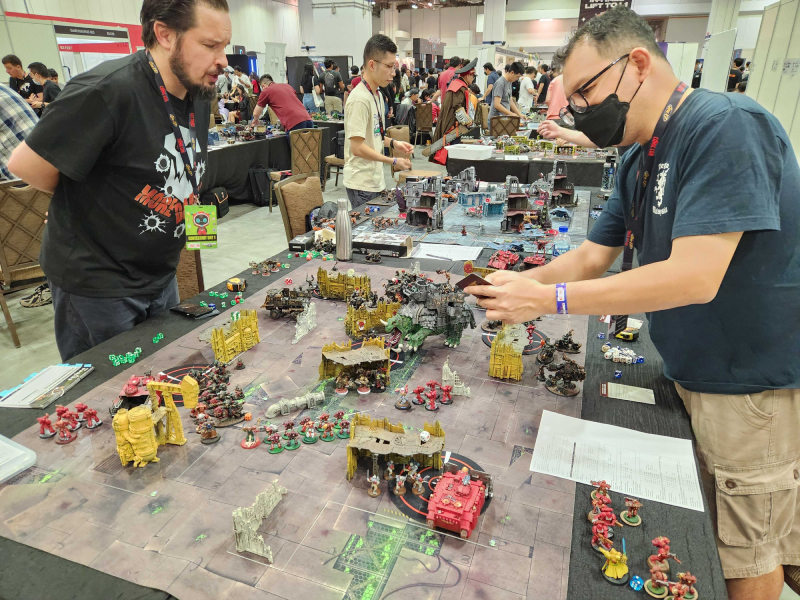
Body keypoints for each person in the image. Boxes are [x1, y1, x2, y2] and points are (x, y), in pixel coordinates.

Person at [465, 8, 800, 600]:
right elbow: (591, 258)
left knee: (747, 551)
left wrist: (548, 299)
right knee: (729, 533)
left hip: (745, 384)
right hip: (691, 368)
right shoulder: (638, 158)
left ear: (638, 64)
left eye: (586, 92)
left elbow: (695, 277)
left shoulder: (724, 126)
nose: (579, 111)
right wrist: (517, 285)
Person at [7, 0, 227, 361]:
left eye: (224, 46)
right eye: (210, 45)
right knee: (113, 391)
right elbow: (26, 164)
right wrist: (77, 197)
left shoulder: (197, 91)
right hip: (100, 285)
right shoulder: (107, 89)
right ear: (165, 34)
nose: (223, 59)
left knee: (162, 375)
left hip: (159, 273)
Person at [344, 34, 413, 208]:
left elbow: (375, 135)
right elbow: (357, 147)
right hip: (361, 183)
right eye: (389, 66)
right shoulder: (359, 99)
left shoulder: (377, 95)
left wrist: (394, 143)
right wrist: (393, 161)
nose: (393, 73)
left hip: (374, 180)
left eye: (394, 67)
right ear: (372, 65)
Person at [430, 58, 478, 151]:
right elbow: (457, 107)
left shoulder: (458, 84)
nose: (473, 79)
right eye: (473, 76)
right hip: (452, 125)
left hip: (452, 123)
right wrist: (467, 121)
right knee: (452, 151)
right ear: (468, 76)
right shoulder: (459, 87)